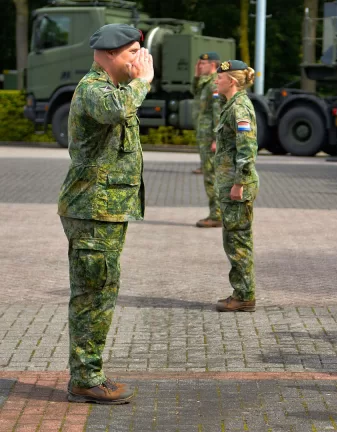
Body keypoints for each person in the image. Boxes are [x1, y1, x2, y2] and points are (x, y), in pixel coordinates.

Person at [59, 23, 153, 404]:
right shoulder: (94, 90)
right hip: (92, 209)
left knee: (101, 291)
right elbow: (117, 110)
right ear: (110, 54)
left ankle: (89, 372)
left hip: (105, 210)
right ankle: (85, 377)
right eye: (132, 52)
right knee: (92, 294)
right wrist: (143, 81)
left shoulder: (113, 89)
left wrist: (135, 82)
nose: (139, 59)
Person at [213, 60, 260, 312]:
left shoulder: (240, 108)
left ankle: (244, 296)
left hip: (236, 188)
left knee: (238, 241)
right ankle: (241, 292)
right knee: (233, 240)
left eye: (219, 78)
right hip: (230, 184)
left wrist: (239, 183)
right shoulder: (230, 105)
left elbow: (247, 148)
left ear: (231, 81)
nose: (215, 81)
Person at [194, 52, 223, 228]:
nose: (198, 65)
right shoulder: (205, 83)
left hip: (209, 138)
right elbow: (195, 93)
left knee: (212, 176)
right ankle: (217, 213)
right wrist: (197, 75)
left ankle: (217, 215)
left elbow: (217, 113)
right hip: (204, 137)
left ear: (212, 65)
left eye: (202, 63)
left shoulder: (214, 84)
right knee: (210, 175)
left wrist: (216, 138)